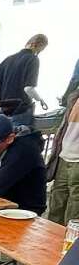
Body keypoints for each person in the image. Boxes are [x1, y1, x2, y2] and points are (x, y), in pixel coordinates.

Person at [0, 34, 49, 127]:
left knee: (2, 139)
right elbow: (28, 89)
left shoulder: (9, 59)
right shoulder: (33, 59)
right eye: (42, 49)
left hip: (4, 108)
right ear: (39, 45)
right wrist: (40, 99)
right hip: (21, 110)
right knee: (19, 139)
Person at [47, 93, 79, 225]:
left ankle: (71, 242)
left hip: (75, 158)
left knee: (75, 202)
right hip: (65, 154)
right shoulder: (74, 98)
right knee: (58, 198)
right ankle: (52, 235)